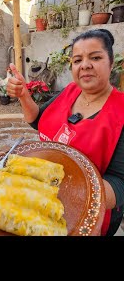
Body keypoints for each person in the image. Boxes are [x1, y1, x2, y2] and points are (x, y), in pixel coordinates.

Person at [7, 29, 124, 236]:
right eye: (77, 60)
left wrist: (63, 189)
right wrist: (24, 96)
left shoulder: (121, 111)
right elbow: (38, 120)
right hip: (43, 199)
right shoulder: (70, 91)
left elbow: (119, 182)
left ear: (111, 63)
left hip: (86, 213)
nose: (85, 65)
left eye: (95, 57)